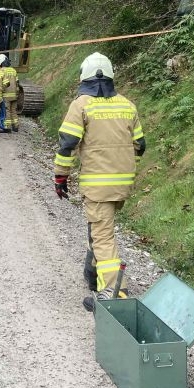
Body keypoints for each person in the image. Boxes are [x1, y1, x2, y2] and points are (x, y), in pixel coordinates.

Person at [53, 52, 146, 312]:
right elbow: (140, 145)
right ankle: (92, 275)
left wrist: (61, 176)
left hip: (98, 186)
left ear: (84, 77)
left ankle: (116, 294)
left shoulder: (81, 105)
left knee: (103, 238)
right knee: (99, 229)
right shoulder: (128, 105)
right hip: (122, 186)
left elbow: (67, 144)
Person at [0, 53, 19, 133]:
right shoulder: (13, 70)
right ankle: (16, 126)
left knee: (7, 111)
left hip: (6, 94)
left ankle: (7, 127)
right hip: (14, 94)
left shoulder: (2, 70)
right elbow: (17, 82)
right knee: (13, 110)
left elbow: (0, 83)